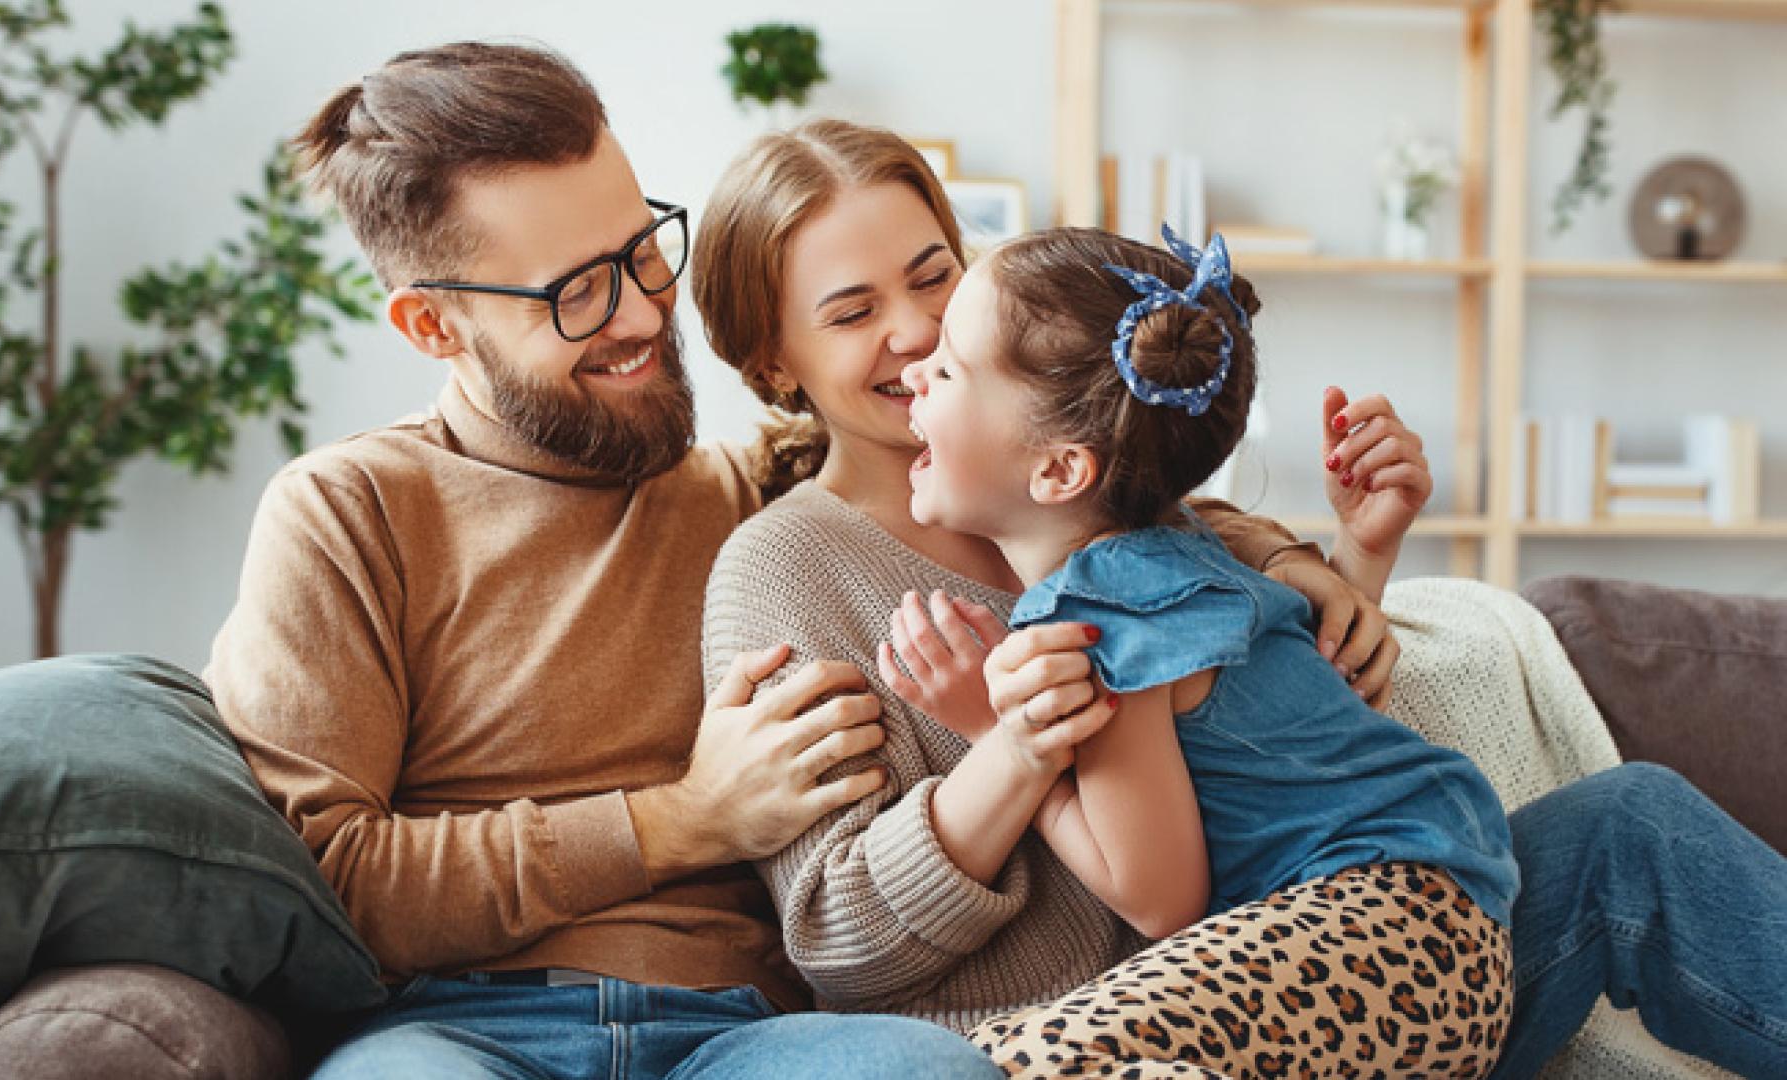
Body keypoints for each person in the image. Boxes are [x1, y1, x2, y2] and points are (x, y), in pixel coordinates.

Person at [693, 117, 1787, 1079]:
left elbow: (1288, 724)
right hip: (1093, 1029)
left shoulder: (1119, 514)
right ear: (771, 360)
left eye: (934, 277)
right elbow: (837, 936)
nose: (918, 330)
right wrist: (1011, 747)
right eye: (852, 312)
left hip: (1331, 971)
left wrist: (1353, 562)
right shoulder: (784, 568)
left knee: (1627, 822)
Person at [201, 42, 1003, 1079]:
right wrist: (681, 820)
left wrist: (1279, 564)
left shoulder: (757, 492)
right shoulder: (351, 515)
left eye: (641, 250)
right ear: (432, 323)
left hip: (746, 1033)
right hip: (454, 1029)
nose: (640, 313)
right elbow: (324, 880)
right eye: (575, 292)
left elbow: (1052, 475)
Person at [898, 222, 1519, 1073]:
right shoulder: (1181, 548)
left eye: (945, 370)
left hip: (1392, 930)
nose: (911, 375)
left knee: (1016, 1061)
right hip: (1440, 922)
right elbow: (1296, 732)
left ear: (1058, 472)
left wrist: (993, 735)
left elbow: (1160, 899)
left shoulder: (1102, 611)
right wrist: (1358, 561)